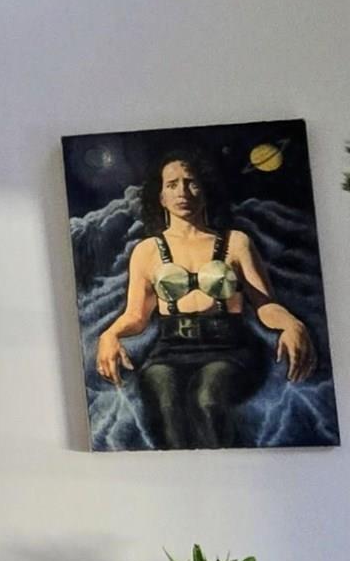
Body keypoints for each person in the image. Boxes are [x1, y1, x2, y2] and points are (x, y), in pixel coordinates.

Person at [93, 144, 317, 448]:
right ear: (160, 196)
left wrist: (291, 324)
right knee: (164, 397)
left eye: (190, 181)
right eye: (172, 185)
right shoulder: (146, 251)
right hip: (170, 350)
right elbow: (136, 315)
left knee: (207, 398)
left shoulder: (236, 243)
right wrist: (111, 334)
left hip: (230, 349)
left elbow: (264, 304)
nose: (182, 191)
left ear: (206, 188)